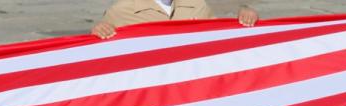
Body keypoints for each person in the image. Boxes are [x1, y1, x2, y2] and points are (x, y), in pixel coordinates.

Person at [92, 0, 259, 39]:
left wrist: (246, 17)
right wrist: (98, 32)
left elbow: (220, 39)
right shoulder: (121, 10)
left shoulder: (196, 4)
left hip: (188, 89)